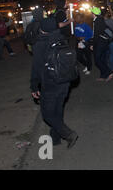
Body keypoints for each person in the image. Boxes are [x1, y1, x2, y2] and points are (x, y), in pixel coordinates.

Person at [30, 17, 78, 148]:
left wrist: (34, 86)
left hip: (50, 82)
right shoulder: (63, 39)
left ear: (43, 30)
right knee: (58, 109)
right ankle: (55, 137)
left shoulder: (40, 44)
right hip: (65, 80)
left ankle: (68, 134)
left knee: (47, 114)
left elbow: (37, 68)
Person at [91, 7, 113, 82]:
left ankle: (109, 72)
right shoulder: (100, 19)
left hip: (100, 43)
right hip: (104, 42)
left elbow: (96, 35)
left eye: (91, 13)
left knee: (97, 61)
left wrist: (92, 45)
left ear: (93, 14)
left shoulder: (97, 21)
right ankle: (103, 76)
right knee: (102, 59)